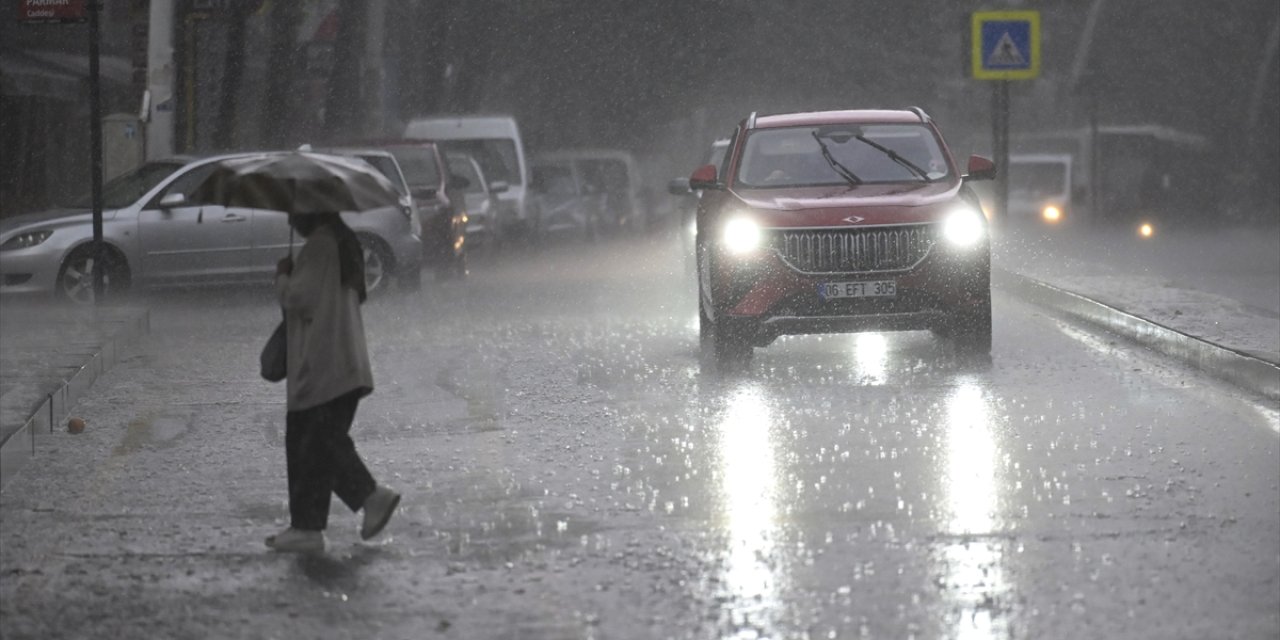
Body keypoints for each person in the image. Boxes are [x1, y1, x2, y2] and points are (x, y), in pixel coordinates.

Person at [265, 212, 400, 553]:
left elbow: (298, 298)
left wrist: (282, 277)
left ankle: (369, 497)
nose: (292, 219)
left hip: (322, 365)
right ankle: (307, 527)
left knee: (317, 442)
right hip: (340, 364)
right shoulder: (340, 242)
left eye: (297, 212)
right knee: (314, 445)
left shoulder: (322, 245)